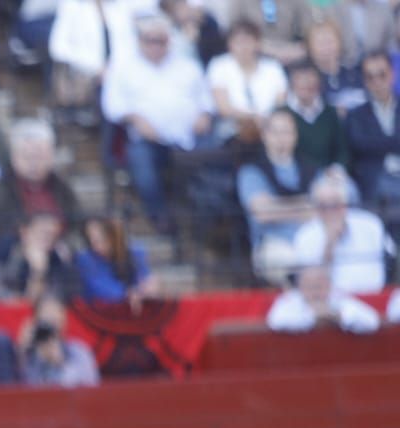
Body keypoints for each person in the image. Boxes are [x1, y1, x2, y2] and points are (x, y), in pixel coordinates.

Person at [100, 15, 214, 231]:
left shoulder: (187, 64)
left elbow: (206, 98)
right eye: (150, 40)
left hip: (190, 137)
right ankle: (160, 218)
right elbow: (112, 106)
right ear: (140, 40)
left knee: (215, 160)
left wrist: (204, 115)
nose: (155, 46)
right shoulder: (123, 67)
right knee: (143, 167)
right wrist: (134, 117)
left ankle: (205, 220)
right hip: (147, 139)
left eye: (160, 40)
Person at [0, 118, 84, 262]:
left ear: (51, 157)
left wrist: (58, 241)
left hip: (59, 256)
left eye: (39, 156)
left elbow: (77, 225)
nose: (33, 163)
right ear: (14, 157)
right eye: (27, 157)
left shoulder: (63, 189)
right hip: (16, 260)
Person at [236, 108, 320, 266]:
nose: (281, 138)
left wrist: (279, 207)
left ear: (295, 136)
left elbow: (328, 206)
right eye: (275, 132)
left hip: (313, 239)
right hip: (273, 244)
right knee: (296, 264)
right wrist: (305, 205)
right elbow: (263, 213)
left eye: (286, 132)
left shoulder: (311, 168)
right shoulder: (251, 171)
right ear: (264, 135)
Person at [290, 169, 393, 295]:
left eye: (335, 204)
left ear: (345, 204)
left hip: (374, 298)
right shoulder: (306, 235)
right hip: (331, 306)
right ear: (316, 209)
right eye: (324, 206)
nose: (331, 211)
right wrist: (329, 245)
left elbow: (391, 260)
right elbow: (311, 285)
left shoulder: (370, 224)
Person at [204, 19, 286, 145]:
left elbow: (280, 103)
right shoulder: (219, 65)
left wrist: (264, 122)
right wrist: (252, 118)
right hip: (232, 131)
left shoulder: (273, 68)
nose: (243, 47)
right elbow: (223, 108)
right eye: (238, 42)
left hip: (269, 131)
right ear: (229, 44)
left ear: (258, 43)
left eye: (248, 41)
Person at [344, 51, 400, 210]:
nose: (377, 82)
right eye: (370, 77)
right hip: (375, 186)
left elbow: (368, 145)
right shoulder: (355, 116)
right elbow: (358, 145)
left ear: (392, 74)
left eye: (382, 75)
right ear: (365, 81)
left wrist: (376, 143)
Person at [15, 290, 100, 386]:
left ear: (64, 320)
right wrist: (22, 352)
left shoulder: (78, 351)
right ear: (35, 320)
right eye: (46, 316)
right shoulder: (28, 352)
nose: (51, 324)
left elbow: (91, 388)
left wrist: (60, 363)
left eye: (55, 318)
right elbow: (13, 388)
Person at [265, 261, 380, 332]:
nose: (315, 291)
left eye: (319, 286)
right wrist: (313, 317)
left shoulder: (338, 298)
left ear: (329, 285)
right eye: (309, 286)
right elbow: (275, 322)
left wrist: (337, 316)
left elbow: (372, 321)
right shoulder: (291, 300)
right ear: (301, 287)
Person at [0, 212, 77, 301]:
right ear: (24, 232)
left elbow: (57, 298)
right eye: (42, 233)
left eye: (53, 235)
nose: (48, 239)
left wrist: (38, 273)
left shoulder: (56, 258)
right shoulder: (7, 250)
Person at [75, 214, 158, 303]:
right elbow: (102, 289)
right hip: (100, 309)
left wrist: (148, 285)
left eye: (100, 239)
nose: (94, 245)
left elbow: (145, 278)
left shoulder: (135, 252)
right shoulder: (86, 259)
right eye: (90, 239)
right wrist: (128, 294)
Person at [284, 61, 345, 173]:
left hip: (330, 175)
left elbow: (342, 150)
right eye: (300, 81)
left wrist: (337, 170)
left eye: (310, 82)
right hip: (297, 176)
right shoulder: (283, 114)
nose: (306, 85)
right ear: (292, 84)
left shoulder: (330, 112)